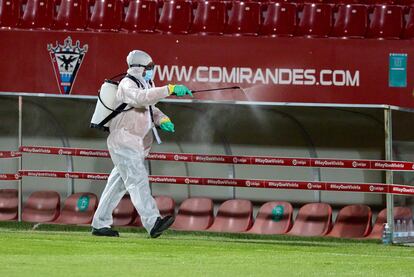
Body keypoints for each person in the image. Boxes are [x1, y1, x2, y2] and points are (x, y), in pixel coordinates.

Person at [91, 50, 192, 238]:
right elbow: (140, 98)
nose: (152, 70)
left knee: (117, 185)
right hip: (123, 141)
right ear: (138, 68)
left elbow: (150, 108)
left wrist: (161, 119)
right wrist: (168, 89)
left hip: (136, 144)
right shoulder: (127, 84)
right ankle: (153, 221)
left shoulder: (147, 84)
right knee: (138, 180)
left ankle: (100, 223)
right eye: (150, 67)